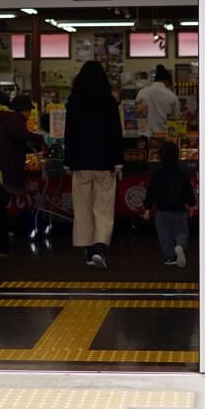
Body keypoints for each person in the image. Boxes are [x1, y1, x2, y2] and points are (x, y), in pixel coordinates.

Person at [64, 61, 124, 269]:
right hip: (104, 162)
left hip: (80, 162)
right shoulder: (109, 101)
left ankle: (88, 249)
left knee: (83, 208)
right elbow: (116, 133)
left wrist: (68, 160)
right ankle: (99, 247)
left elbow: (69, 133)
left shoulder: (74, 100)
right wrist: (118, 161)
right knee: (103, 207)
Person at [141, 142, 196, 268]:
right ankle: (180, 245)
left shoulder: (156, 174)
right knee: (181, 232)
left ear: (160, 157)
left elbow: (151, 193)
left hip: (162, 211)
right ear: (177, 156)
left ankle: (170, 257)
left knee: (164, 235)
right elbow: (188, 191)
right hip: (180, 211)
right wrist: (192, 204)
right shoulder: (183, 174)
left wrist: (147, 208)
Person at [0, 94, 43, 195]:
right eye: (29, 110)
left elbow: (17, 144)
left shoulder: (9, 120)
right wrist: (40, 139)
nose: (30, 113)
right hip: (6, 171)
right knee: (9, 197)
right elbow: (24, 136)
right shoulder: (14, 121)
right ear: (24, 110)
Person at [135, 64, 179, 135]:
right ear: (167, 81)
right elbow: (176, 119)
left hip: (145, 136)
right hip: (164, 135)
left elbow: (138, 114)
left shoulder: (141, 93)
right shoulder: (171, 96)